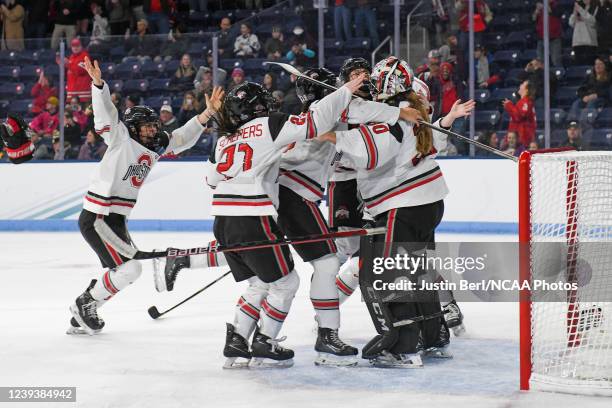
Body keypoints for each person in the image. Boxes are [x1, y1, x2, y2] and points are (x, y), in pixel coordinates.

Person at [154, 75, 366, 369]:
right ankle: (282, 340)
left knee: (260, 282)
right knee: (292, 278)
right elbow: (314, 124)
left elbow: (211, 179)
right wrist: (345, 92)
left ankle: (237, 341)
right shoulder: (271, 125)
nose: (270, 106)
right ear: (256, 107)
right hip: (258, 214)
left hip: (223, 218)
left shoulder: (225, 139)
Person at [316, 56, 474, 367]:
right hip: (429, 203)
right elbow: (432, 142)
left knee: (391, 276)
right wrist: (447, 119)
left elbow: (371, 153)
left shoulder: (390, 115)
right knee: (419, 272)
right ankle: (434, 338)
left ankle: (404, 347)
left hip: (400, 206)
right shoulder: (415, 108)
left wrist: (330, 135)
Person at [64, 56, 224, 335]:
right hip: (99, 216)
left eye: (154, 125)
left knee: (128, 270)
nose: (154, 129)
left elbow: (182, 137)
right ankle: (85, 303)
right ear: (134, 127)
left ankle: (82, 315)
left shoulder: (156, 144)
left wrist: (207, 114)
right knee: (129, 270)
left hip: (114, 220)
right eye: (148, 126)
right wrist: (98, 84)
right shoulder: (119, 137)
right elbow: (104, 116)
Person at [568, 57, 610, 121]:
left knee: (592, 102)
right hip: (589, 97)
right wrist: (584, 96)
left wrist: (596, 95)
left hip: (602, 99)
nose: (597, 66)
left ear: (605, 66)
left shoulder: (609, 77)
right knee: (576, 103)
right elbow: (580, 89)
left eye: (600, 64)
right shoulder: (590, 77)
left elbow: (609, 91)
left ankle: (585, 122)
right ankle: (572, 123)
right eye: (596, 64)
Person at [503, 80, 536, 147]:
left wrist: (509, 106)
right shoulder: (522, 102)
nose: (520, 85)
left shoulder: (526, 102)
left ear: (527, 90)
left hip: (522, 140)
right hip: (518, 139)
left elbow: (519, 117)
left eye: (523, 84)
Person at [569, 0, 599, 65]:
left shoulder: (595, 7)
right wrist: (575, 12)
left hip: (590, 42)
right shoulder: (577, 8)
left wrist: (580, 10)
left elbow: (592, 21)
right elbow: (571, 23)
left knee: (590, 64)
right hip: (577, 42)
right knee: (579, 64)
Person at [533, 1, 563, 67]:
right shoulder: (539, 5)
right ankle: (541, 76)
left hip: (554, 38)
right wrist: (536, 11)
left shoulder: (556, 4)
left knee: (556, 60)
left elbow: (556, 14)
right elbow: (533, 19)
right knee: (540, 61)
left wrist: (545, 6)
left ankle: (557, 76)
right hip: (541, 38)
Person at [62, 38, 92, 102]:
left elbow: (80, 71)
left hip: (83, 93)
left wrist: (68, 64)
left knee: (84, 111)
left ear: (81, 46)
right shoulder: (71, 57)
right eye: (73, 46)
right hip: (72, 91)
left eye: (77, 46)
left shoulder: (85, 56)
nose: (75, 48)